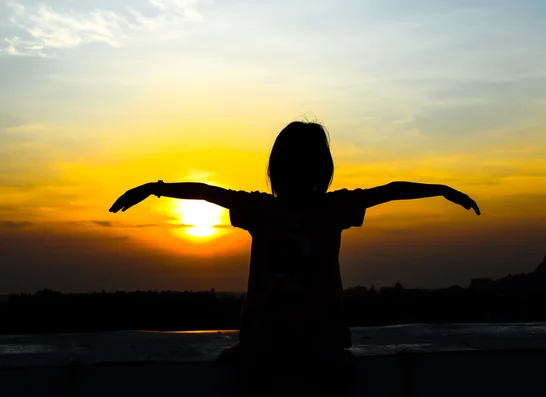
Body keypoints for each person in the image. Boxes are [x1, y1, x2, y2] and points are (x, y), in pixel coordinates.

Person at [109, 120, 480, 391]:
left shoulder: (283, 209)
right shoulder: (303, 208)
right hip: (281, 347)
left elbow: (206, 192)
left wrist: (153, 188)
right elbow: (388, 191)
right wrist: (440, 189)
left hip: (304, 347)